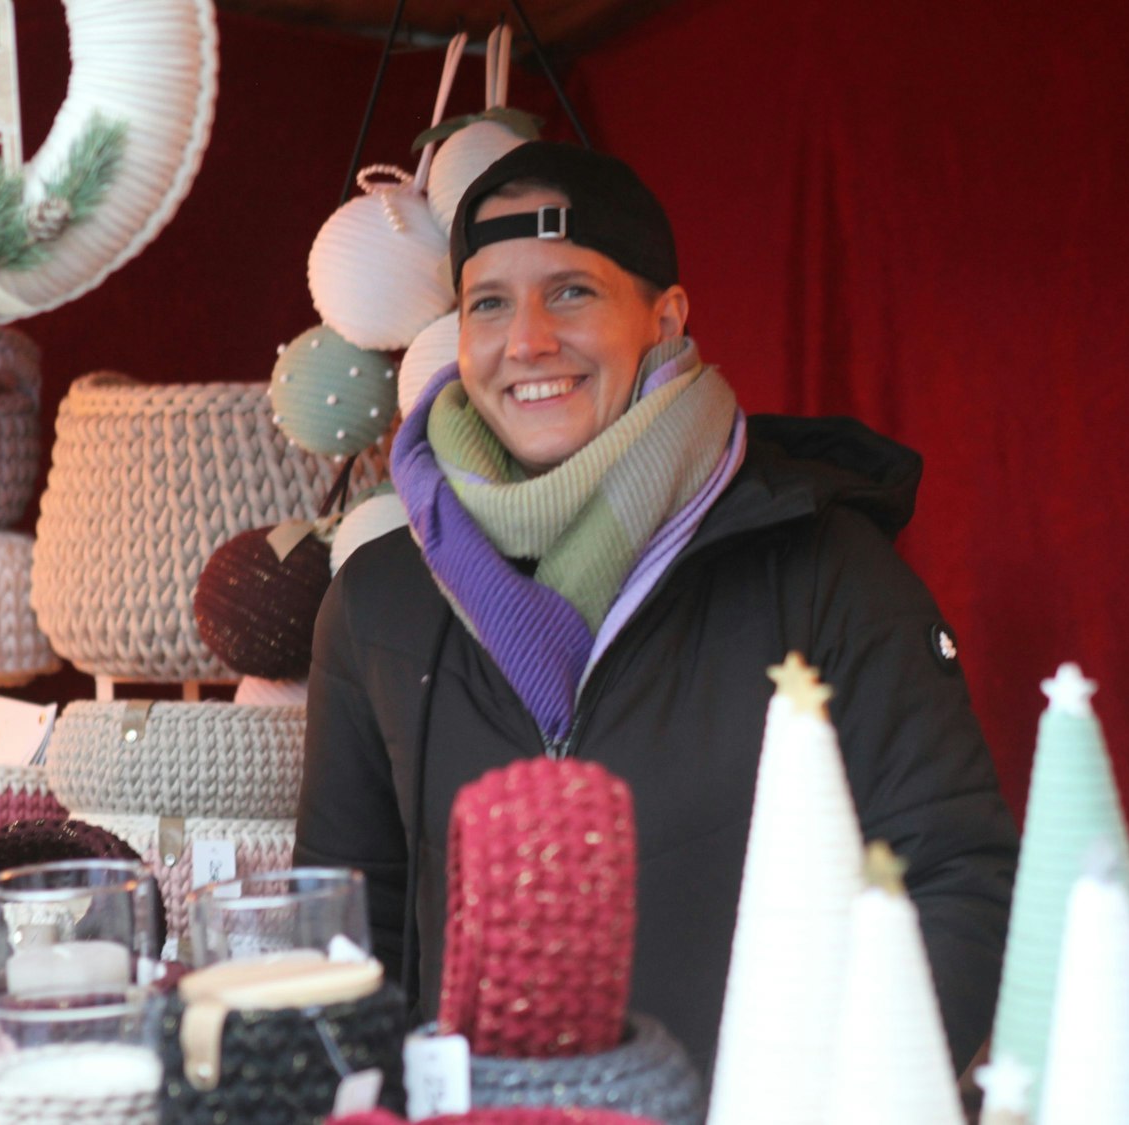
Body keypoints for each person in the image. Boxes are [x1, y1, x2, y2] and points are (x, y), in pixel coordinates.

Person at [296, 141, 1016, 1073]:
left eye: (571, 291)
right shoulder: (379, 600)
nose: (527, 341)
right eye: (488, 304)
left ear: (665, 316)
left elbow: (959, 879)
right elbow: (347, 940)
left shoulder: (822, 567)